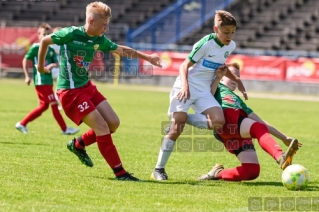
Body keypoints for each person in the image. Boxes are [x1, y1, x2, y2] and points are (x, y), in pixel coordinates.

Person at [36, 2, 162, 181]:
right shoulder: (71, 33)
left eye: (107, 24)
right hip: (70, 92)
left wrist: (147, 57)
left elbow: (121, 49)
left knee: (113, 123)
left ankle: (78, 144)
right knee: (102, 127)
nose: (107, 28)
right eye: (104, 24)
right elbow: (45, 41)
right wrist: (41, 67)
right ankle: (120, 173)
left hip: (86, 87)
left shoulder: (99, 40)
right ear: (90, 21)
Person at [151, 10, 247, 180]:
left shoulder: (230, 46)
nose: (230, 36)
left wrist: (237, 81)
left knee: (218, 122)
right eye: (226, 32)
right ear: (215, 29)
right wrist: (185, 86)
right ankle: (158, 169)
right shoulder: (205, 43)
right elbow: (184, 66)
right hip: (185, 85)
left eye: (232, 32)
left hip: (203, 90)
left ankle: (182, 118)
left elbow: (221, 66)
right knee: (175, 130)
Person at [197, 63, 301, 181]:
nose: (235, 79)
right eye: (231, 75)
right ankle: (280, 156)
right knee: (257, 128)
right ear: (223, 76)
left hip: (235, 132)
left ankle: (217, 173)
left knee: (251, 171)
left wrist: (284, 137)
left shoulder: (238, 100)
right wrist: (217, 78)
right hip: (227, 122)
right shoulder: (217, 87)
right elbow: (206, 97)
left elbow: (261, 122)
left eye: (238, 76)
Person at [15, 23, 80, 135]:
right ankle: (64, 129)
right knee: (54, 104)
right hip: (41, 81)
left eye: (47, 34)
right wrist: (27, 76)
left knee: (44, 106)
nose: (45, 36)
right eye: (43, 34)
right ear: (38, 35)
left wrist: (51, 65)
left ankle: (22, 124)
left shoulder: (50, 49)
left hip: (48, 81)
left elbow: (56, 62)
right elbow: (25, 60)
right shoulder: (35, 47)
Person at [50, 26, 63, 110]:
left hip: (59, 69)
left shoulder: (63, 43)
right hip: (52, 68)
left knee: (59, 86)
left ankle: (56, 102)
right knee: (47, 86)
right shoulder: (51, 44)